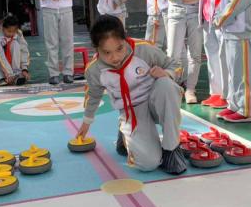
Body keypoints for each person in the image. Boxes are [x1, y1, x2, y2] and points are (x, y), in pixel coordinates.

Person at [76, 15, 187, 175]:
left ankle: (171, 150)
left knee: (166, 85)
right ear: (96, 49)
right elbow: (93, 96)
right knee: (148, 164)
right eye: (107, 52)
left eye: (119, 48)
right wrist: (86, 123)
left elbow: (174, 65)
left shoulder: (143, 49)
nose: (115, 57)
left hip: (156, 100)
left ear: (125, 39)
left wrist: (167, 73)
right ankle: (125, 131)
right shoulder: (94, 70)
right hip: (133, 111)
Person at [0, 15, 31, 86]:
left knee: (16, 44)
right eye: (9, 31)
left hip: (8, 52)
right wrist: (9, 73)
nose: (11, 34)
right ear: (3, 27)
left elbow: (24, 50)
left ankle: (17, 73)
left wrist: (24, 69)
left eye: (14, 31)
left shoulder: (18, 33)